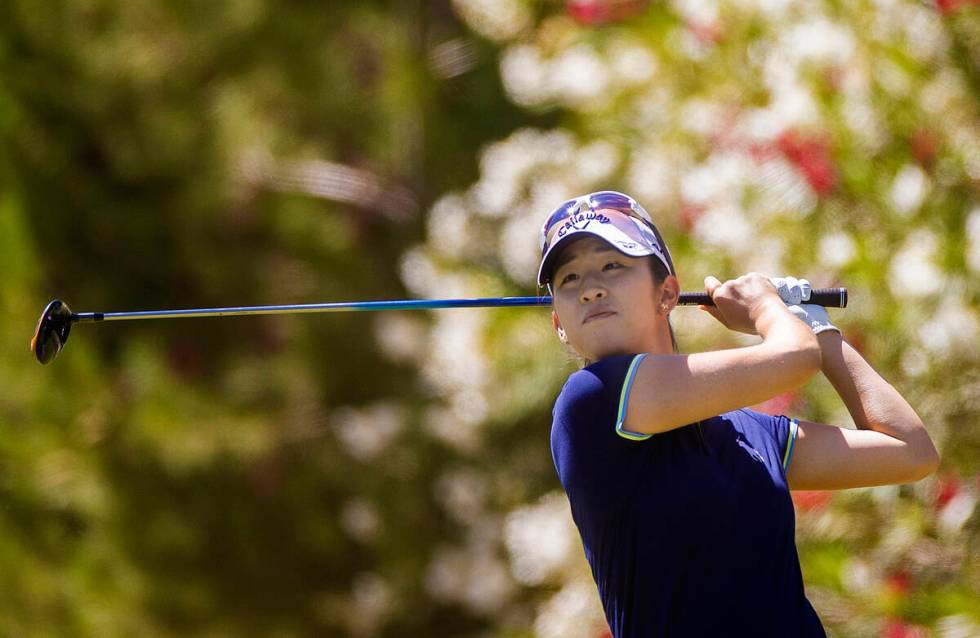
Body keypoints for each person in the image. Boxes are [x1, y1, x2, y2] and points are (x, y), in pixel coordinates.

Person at [539, 191, 940, 637]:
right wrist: (768, 307)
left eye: (612, 265)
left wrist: (815, 324)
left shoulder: (750, 432)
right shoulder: (591, 401)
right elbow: (795, 359)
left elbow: (910, 451)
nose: (591, 287)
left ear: (667, 292)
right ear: (559, 322)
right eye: (569, 277)